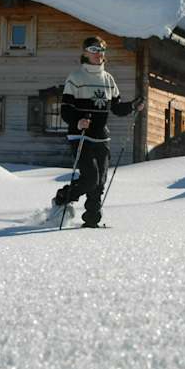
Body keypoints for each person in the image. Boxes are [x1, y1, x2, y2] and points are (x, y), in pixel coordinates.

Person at [52, 36, 145, 227]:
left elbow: (117, 108)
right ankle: (62, 197)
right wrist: (78, 121)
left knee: (100, 182)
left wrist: (133, 106)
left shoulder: (108, 79)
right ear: (85, 53)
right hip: (81, 135)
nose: (98, 54)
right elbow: (66, 109)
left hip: (101, 137)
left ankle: (92, 221)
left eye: (101, 50)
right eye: (93, 50)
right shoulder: (76, 78)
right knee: (90, 179)